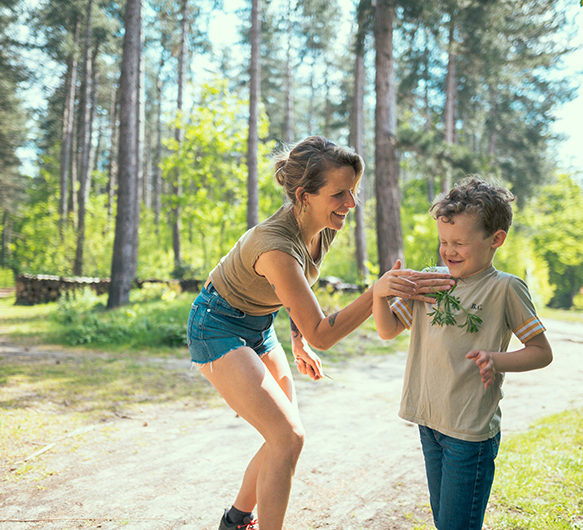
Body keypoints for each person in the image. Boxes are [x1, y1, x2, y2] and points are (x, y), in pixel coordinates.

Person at [186, 135, 454, 530]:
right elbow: (324, 334)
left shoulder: (322, 226)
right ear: (304, 195)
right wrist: (375, 291)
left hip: (259, 325)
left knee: (283, 433)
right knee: (288, 437)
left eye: (354, 191)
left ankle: (236, 520)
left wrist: (297, 339)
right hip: (217, 325)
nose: (351, 204)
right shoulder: (275, 246)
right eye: (340, 194)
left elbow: (297, 294)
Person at [372, 176, 553, 530]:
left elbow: (541, 352)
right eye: (443, 241)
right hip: (430, 422)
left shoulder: (505, 289)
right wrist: (380, 293)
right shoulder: (431, 281)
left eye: (459, 242)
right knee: (446, 522)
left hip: (470, 432)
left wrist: (496, 359)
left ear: (496, 239)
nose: (448, 251)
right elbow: (388, 329)